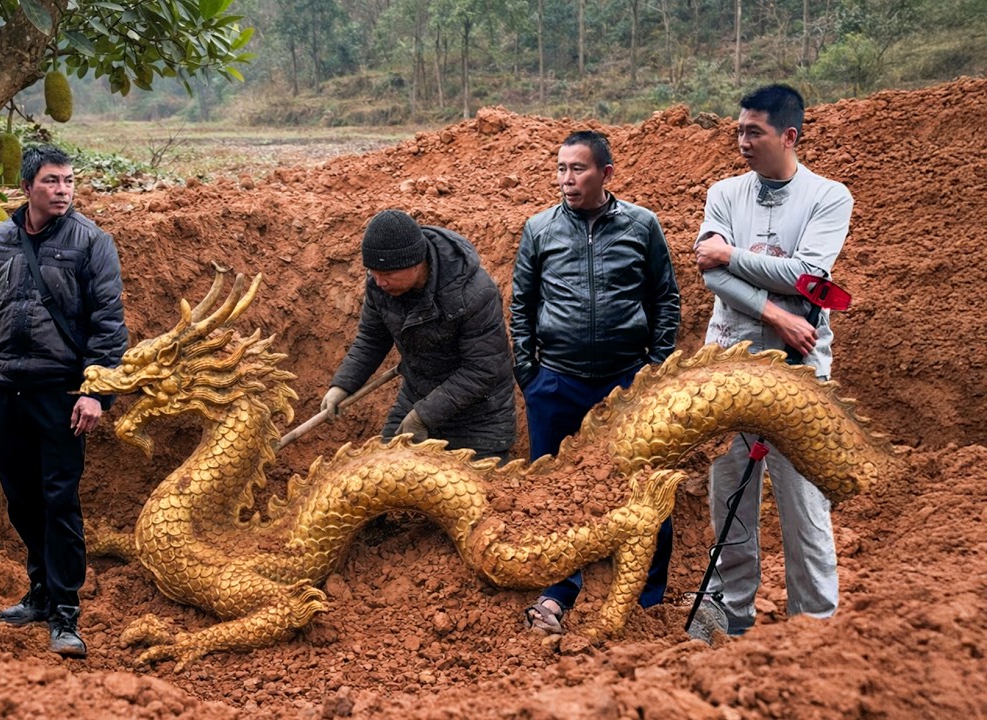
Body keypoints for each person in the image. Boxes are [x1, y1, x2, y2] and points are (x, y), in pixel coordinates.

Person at [0, 144, 128, 659]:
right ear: (27, 187)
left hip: (61, 394)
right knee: (21, 498)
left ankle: (66, 610)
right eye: (52, 181)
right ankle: (40, 592)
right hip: (8, 390)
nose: (63, 190)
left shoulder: (92, 243)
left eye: (68, 180)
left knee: (59, 501)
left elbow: (109, 326)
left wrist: (96, 392)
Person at [688, 84, 854, 639]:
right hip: (728, 366)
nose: (742, 141)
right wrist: (778, 315)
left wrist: (731, 254)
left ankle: (814, 625)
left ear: (788, 136)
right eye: (738, 130)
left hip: (798, 375)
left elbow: (808, 274)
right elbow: (709, 275)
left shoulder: (828, 196)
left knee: (804, 503)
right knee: (729, 500)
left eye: (753, 132)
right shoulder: (723, 193)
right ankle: (730, 615)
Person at [510, 130, 680, 635]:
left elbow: (665, 299)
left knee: (646, 487)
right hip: (556, 384)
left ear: (605, 173)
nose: (567, 179)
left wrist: (654, 370)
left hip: (626, 385)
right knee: (553, 493)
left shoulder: (641, 225)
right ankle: (558, 593)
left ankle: (647, 601)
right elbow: (521, 306)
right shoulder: (539, 229)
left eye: (578, 168)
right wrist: (530, 376)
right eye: (561, 168)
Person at [321, 209, 516, 460]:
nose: (379, 282)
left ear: (416, 263)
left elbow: (481, 369)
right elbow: (371, 340)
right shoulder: (380, 287)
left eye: (387, 274)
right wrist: (342, 385)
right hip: (417, 396)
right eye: (373, 272)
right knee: (384, 471)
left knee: (471, 483)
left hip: (479, 417)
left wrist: (423, 416)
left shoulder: (474, 293)